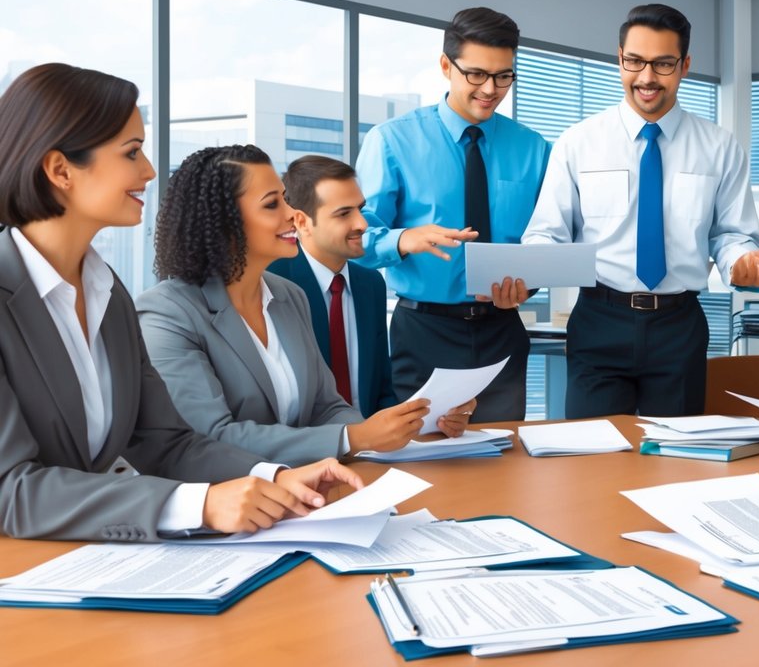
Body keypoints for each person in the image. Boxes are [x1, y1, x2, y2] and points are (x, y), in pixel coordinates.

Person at [0, 63, 362, 541]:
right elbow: (12, 491)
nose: (149, 170)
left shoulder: (107, 293)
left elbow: (165, 443)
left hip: (79, 565)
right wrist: (198, 503)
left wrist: (273, 479)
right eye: (132, 152)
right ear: (60, 169)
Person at [523, 3, 759, 418]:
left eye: (662, 64)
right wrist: (524, 270)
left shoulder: (719, 147)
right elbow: (547, 233)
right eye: (634, 62)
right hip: (599, 320)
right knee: (593, 460)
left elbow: (731, 235)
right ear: (620, 60)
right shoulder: (577, 143)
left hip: (677, 326)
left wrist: (741, 263)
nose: (646, 78)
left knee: (673, 464)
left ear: (684, 65)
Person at [138, 145, 472, 466]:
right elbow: (211, 437)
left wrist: (391, 431)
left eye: (285, 199)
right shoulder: (166, 314)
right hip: (225, 504)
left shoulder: (287, 295)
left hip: (310, 489)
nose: (293, 215)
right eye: (273, 205)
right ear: (224, 222)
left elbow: (326, 407)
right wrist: (353, 438)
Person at [357, 7, 551, 422]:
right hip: (424, 331)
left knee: (505, 459)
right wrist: (402, 239)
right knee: (425, 462)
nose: (491, 89)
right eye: (476, 74)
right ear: (446, 66)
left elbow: (547, 238)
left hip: (503, 330)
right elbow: (355, 241)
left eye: (504, 76)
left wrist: (527, 284)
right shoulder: (392, 140)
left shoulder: (534, 148)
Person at [269, 155, 396, 418]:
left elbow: (383, 392)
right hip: (308, 452)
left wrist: (427, 418)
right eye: (344, 213)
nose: (362, 224)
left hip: (373, 451)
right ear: (301, 222)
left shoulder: (371, 284)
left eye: (361, 209)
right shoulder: (274, 285)